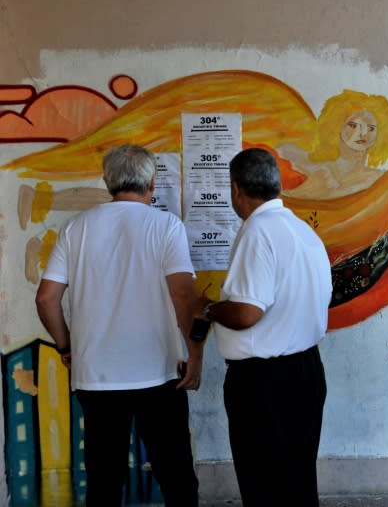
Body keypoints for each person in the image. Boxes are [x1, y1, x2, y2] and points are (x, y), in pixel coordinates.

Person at [34, 144, 203, 507]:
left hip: (97, 373)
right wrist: (195, 352)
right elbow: (185, 297)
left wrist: (66, 348)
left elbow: (46, 299)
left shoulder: (76, 227)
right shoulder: (166, 225)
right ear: (152, 183)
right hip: (159, 371)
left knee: (103, 477)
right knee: (175, 473)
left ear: (107, 181)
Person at [198, 147, 332, 506]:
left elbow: (245, 313)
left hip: (266, 384)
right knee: (297, 481)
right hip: (305, 372)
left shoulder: (257, 231)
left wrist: (209, 308)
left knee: (265, 486)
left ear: (236, 189)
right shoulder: (302, 231)